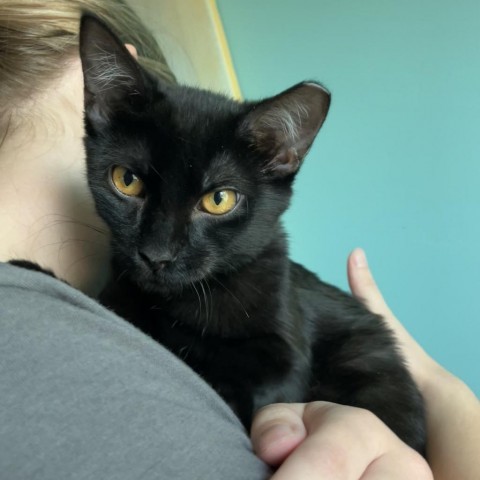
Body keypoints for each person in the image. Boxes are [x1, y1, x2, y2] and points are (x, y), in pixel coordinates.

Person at [0, 2, 478, 479]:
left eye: (217, 202)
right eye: (129, 183)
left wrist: (438, 388)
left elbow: (275, 372)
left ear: (278, 164)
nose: (158, 250)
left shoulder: (259, 285)